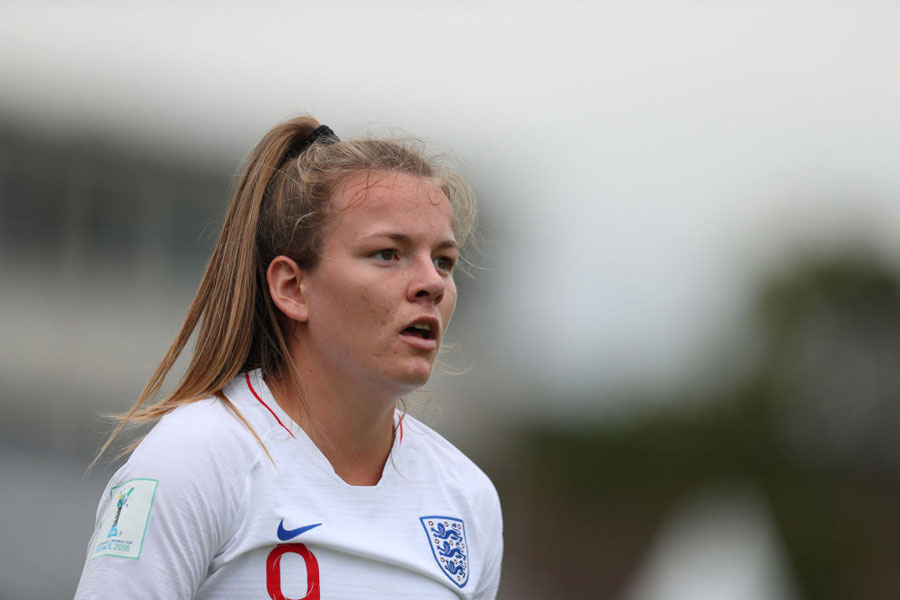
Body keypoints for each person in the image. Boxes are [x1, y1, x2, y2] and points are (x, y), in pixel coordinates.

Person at [74, 116, 503, 599]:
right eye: (388, 253)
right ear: (292, 287)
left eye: (443, 260)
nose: (432, 284)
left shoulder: (468, 498)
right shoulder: (194, 458)